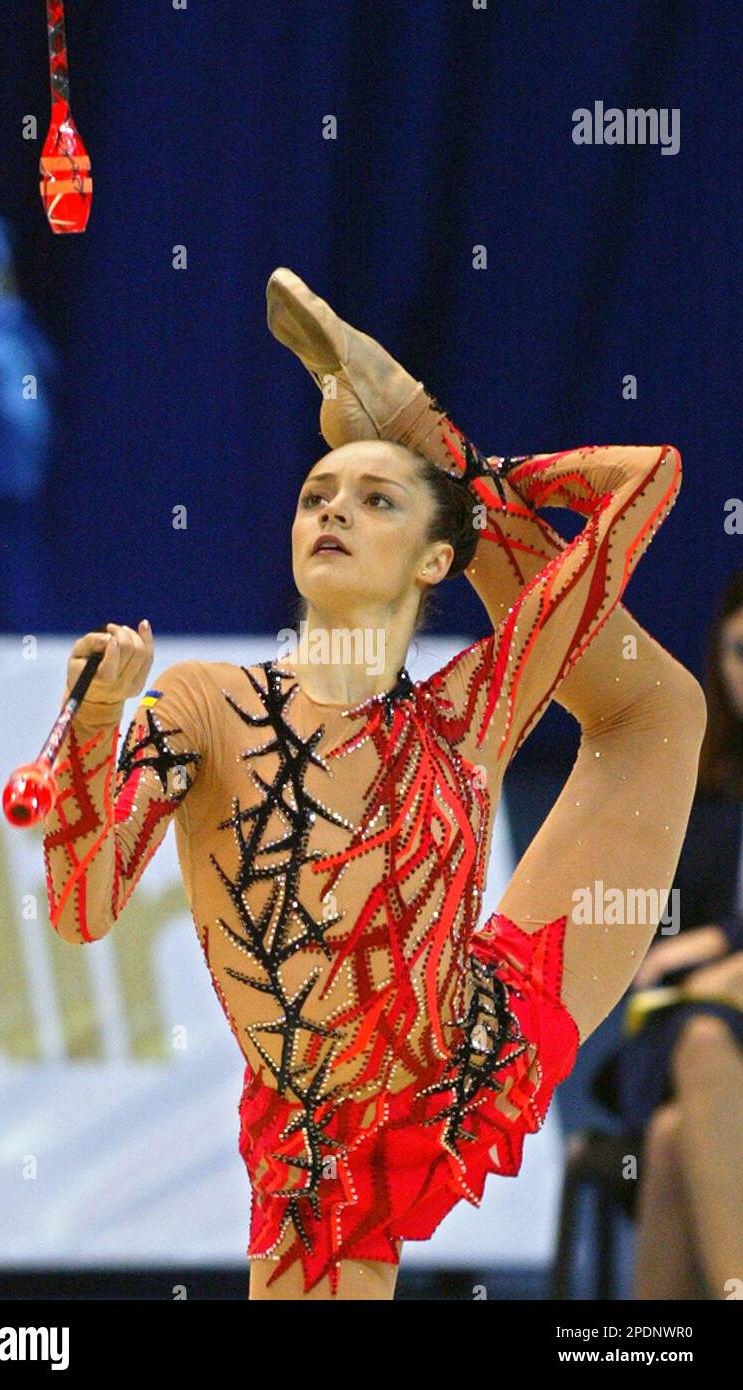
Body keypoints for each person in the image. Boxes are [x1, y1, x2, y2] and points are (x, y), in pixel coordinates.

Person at [41, 269, 706, 1301]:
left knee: (661, 712)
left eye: (372, 495)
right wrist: (90, 725)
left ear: (436, 558)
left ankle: (430, 452)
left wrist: (465, 473)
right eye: (318, 495)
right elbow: (81, 908)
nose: (333, 508)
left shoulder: (463, 717)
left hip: (472, 1047)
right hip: (319, 1138)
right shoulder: (204, 704)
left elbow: (652, 478)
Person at [590, 568, 743, 1299]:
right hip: (694, 1025)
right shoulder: (699, 783)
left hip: (712, 1026)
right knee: (702, 1044)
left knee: (673, 1139)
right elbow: (648, 947)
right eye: (740, 654)